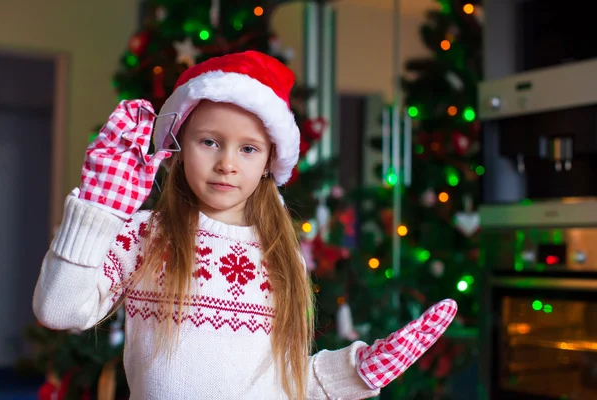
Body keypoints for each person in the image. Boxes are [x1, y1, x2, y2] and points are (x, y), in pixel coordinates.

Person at [33, 51, 457, 400]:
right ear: (180, 147)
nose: (227, 164)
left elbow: (288, 383)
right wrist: (97, 212)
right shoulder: (148, 233)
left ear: (271, 161)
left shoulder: (281, 252)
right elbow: (59, 310)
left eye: (248, 148)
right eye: (209, 141)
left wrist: (356, 372)